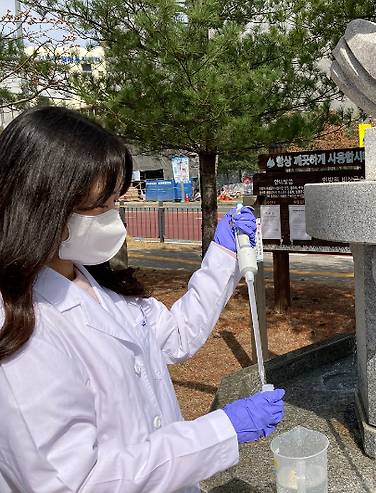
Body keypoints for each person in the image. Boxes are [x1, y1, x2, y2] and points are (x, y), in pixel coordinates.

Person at [0, 106, 285, 492]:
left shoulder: (92, 280)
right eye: (99, 207)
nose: (113, 219)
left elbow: (177, 334)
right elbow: (79, 483)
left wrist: (224, 255)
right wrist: (222, 430)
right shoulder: (20, 328)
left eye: (115, 202)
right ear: (40, 206)